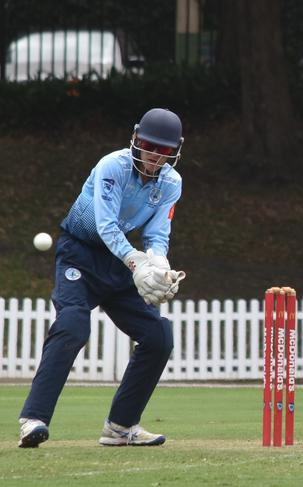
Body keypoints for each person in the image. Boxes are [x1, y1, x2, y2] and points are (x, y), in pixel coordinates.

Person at [18, 108, 186, 448]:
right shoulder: (113, 166)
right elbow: (105, 225)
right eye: (148, 146)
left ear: (175, 152)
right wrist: (136, 262)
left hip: (121, 262)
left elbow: (157, 234)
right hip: (80, 252)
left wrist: (159, 265)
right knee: (73, 324)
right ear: (136, 140)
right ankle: (33, 419)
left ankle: (121, 426)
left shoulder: (171, 183)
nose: (155, 156)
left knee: (158, 336)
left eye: (164, 151)